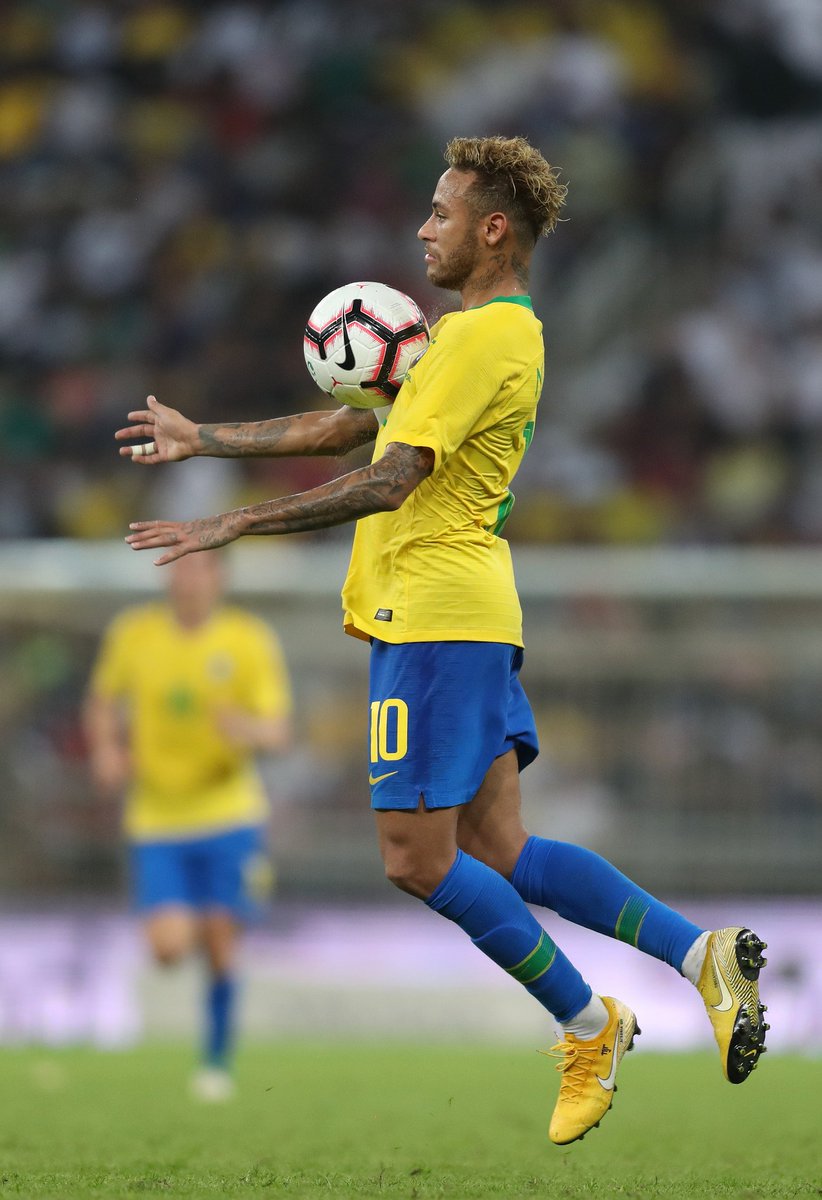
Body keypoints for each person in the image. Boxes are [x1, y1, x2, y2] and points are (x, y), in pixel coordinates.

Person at [116, 135, 768, 1143]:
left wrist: (232, 523)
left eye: (441, 212)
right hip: (463, 615)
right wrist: (206, 439)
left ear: (492, 227)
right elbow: (349, 430)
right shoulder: (457, 340)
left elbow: (390, 477)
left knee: (415, 858)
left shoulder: (485, 340)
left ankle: (590, 1022)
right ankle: (698, 956)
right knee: (499, 847)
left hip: (432, 621)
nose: (423, 228)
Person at [84, 551, 293, 1101]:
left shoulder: (248, 639)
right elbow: (102, 700)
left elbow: (277, 731)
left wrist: (245, 729)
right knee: (169, 948)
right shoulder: (134, 634)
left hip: (229, 813)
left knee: (223, 948)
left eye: (200, 569)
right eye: (179, 569)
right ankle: (217, 918)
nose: (189, 580)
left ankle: (216, 1061)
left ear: (219, 578)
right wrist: (106, 749)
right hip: (156, 818)